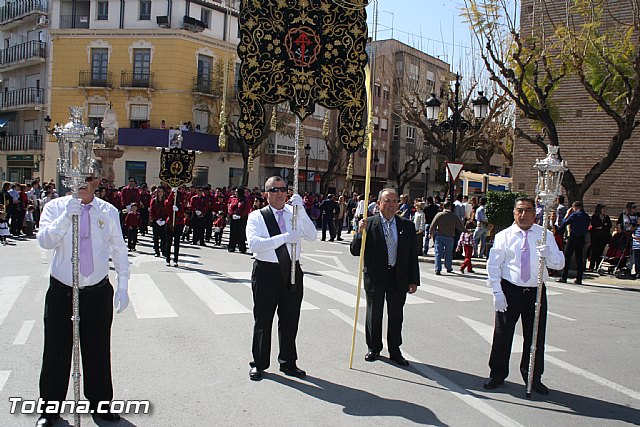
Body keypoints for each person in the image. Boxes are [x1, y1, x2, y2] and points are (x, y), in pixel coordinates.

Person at [35, 171, 130, 426]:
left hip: (96, 291)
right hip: (62, 290)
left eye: (89, 179)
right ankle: (49, 409)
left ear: (97, 181)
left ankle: (101, 405)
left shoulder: (108, 211)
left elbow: (118, 249)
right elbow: (44, 241)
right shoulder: (55, 207)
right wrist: (67, 217)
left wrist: (123, 284)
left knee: (98, 349)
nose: (83, 185)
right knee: (56, 350)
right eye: (78, 179)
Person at [483, 197, 564, 395]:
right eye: (519, 210)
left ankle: (533, 377)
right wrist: (497, 292)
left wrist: (549, 255)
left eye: (528, 210)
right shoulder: (504, 236)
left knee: (535, 337)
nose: (523, 214)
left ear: (534, 212)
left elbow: (559, 263)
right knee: (502, 334)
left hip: (535, 291)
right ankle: (497, 374)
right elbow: (494, 265)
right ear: (514, 213)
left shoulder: (544, 235)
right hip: (510, 289)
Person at [246, 176, 317, 381]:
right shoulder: (257, 216)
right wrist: (285, 238)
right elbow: (255, 244)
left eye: (282, 189)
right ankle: (258, 363)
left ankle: (288, 362)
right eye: (274, 190)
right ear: (265, 193)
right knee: (263, 319)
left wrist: (302, 210)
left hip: (292, 271)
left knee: (290, 320)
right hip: (266, 272)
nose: (279, 193)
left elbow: (312, 235)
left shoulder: (294, 213)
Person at [350, 188, 419, 366]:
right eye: (387, 201)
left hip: (398, 277)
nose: (391, 205)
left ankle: (395, 350)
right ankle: (374, 347)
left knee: (396, 316)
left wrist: (413, 280)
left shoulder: (406, 226)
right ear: (379, 203)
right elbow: (355, 251)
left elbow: (412, 256)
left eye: (394, 201)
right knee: (374, 314)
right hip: (375, 276)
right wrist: (359, 232)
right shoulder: (369, 223)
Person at [557, 201, 590, 285]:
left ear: (574, 207)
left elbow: (564, 223)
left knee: (567, 257)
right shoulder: (586, 216)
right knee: (579, 258)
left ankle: (564, 277)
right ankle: (579, 278)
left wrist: (567, 214)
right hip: (582, 238)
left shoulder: (574, 215)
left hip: (573, 237)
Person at [430, 201, 465, 275]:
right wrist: (466, 231)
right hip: (450, 236)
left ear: (443, 206)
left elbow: (433, 224)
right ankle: (448, 267)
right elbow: (460, 226)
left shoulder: (439, 215)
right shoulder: (453, 216)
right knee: (448, 253)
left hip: (440, 235)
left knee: (438, 253)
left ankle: (437, 269)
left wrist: (431, 233)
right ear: (450, 207)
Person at [587, 204, 612, 272]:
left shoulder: (606, 217)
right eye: (603, 209)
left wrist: (602, 226)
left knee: (600, 251)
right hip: (595, 236)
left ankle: (598, 266)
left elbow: (609, 225)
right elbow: (594, 225)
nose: (604, 211)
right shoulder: (595, 217)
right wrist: (602, 226)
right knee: (594, 251)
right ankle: (591, 267)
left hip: (603, 237)